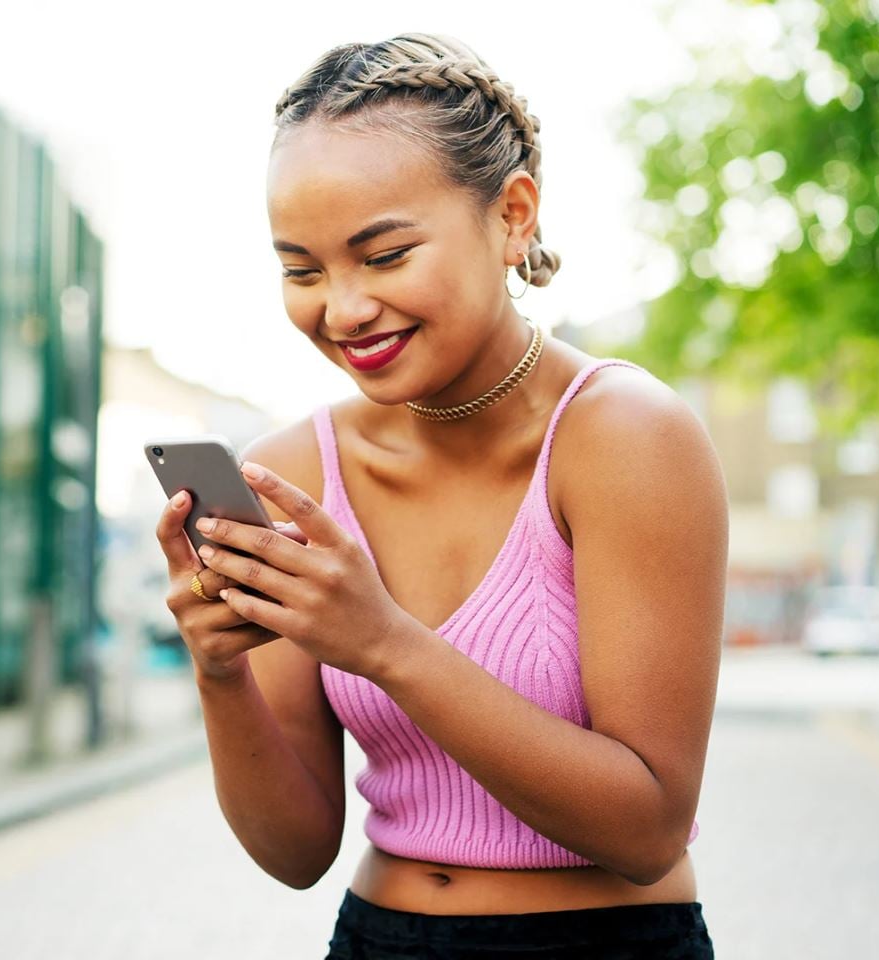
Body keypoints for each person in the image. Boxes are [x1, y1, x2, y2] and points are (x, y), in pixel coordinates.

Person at [152, 32, 725, 959]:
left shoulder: (624, 437)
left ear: (513, 214)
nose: (341, 311)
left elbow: (647, 828)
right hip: (379, 939)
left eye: (383, 256)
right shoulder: (294, 473)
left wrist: (381, 643)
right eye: (302, 270)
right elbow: (296, 852)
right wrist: (219, 674)